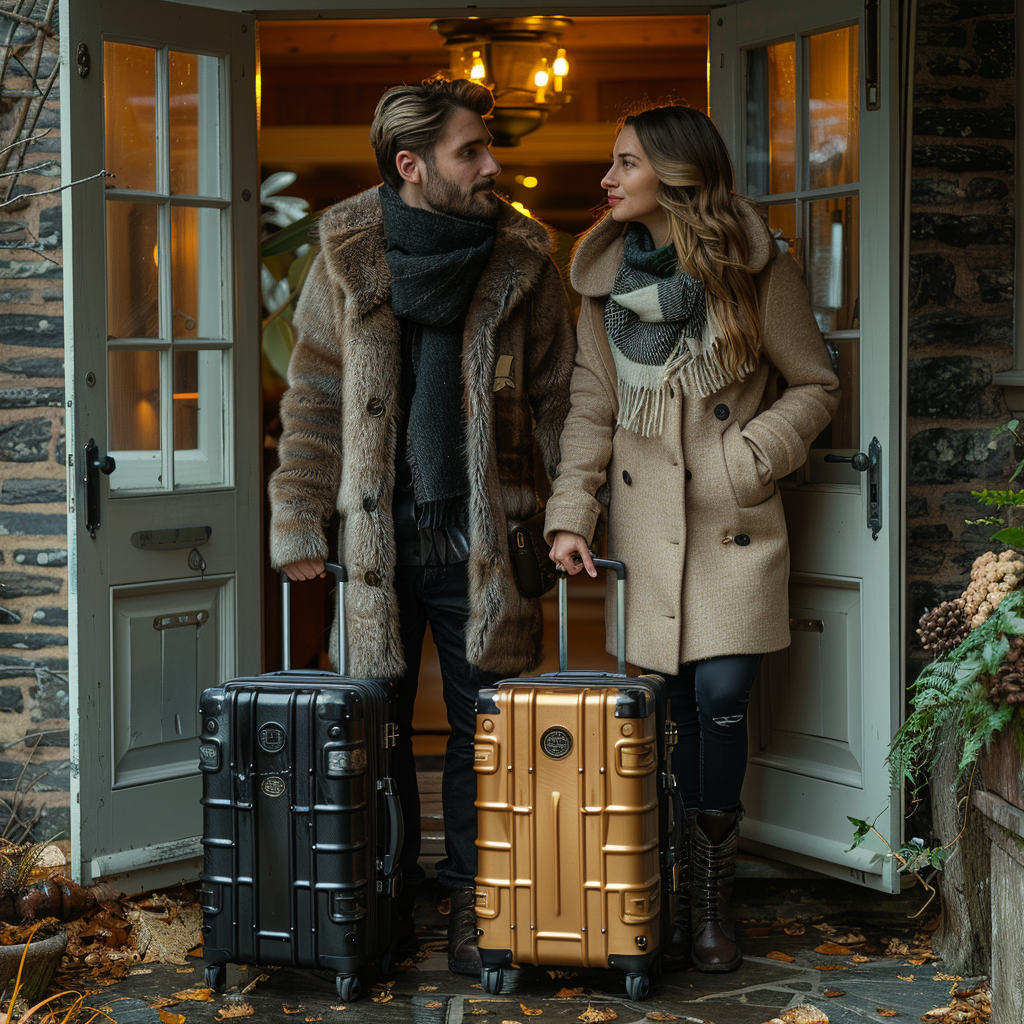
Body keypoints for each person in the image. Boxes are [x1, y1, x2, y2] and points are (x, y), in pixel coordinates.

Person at [268, 76, 576, 976]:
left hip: (490, 541)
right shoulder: (345, 256)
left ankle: (480, 911)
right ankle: (383, 906)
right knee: (377, 733)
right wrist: (298, 523)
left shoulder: (525, 256)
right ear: (412, 166)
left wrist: (571, 514)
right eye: (470, 152)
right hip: (374, 545)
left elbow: (559, 402)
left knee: (489, 736)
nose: (492, 165)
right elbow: (317, 401)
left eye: (489, 148)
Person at [543, 103, 840, 973]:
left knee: (719, 702)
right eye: (611, 162)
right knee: (665, 719)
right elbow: (592, 411)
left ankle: (714, 897)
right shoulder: (600, 290)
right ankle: (665, 891)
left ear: (675, 177)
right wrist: (571, 514)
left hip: (733, 528)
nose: (607, 180)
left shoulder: (756, 273)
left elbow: (815, 384)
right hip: (645, 536)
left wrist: (751, 455)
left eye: (624, 163)